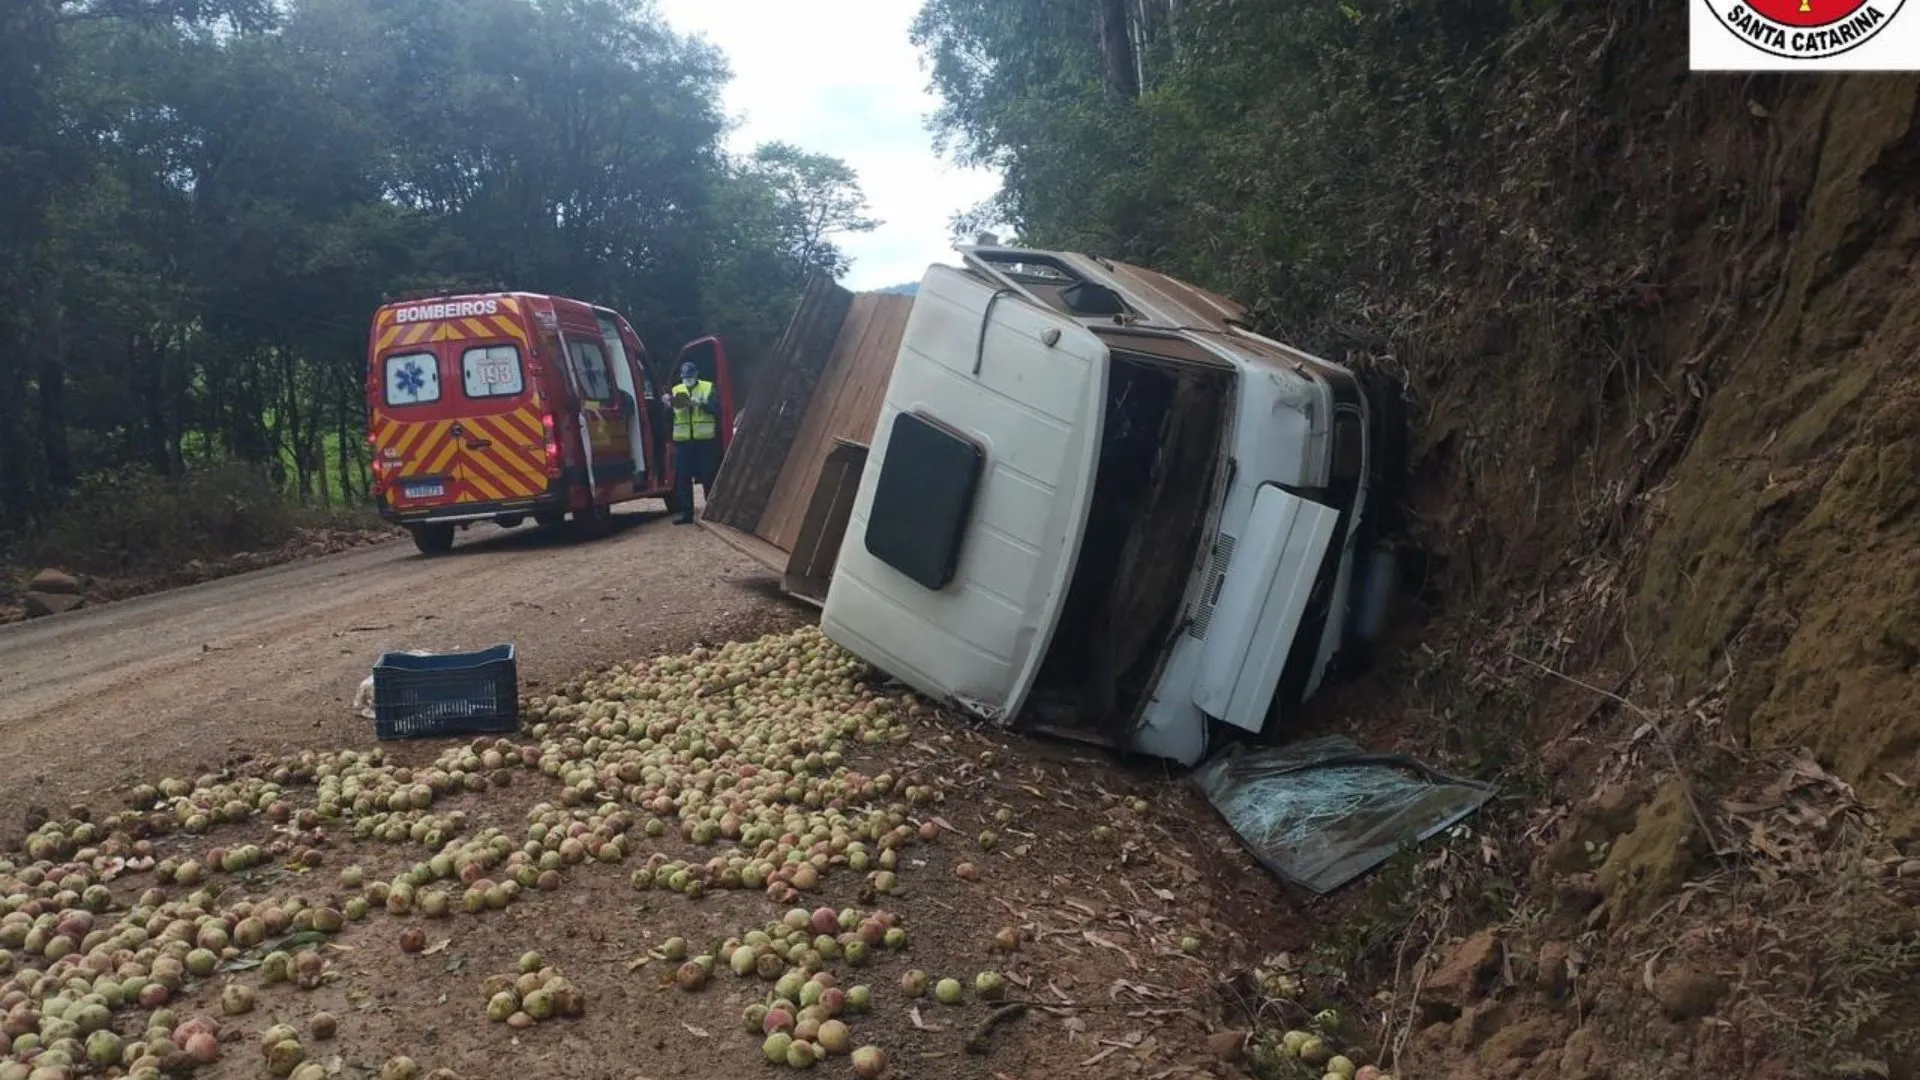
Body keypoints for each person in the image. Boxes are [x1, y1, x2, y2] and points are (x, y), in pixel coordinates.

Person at [664, 360, 719, 524]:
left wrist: (700, 404)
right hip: (683, 441)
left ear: (696, 375)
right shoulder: (677, 390)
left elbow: (716, 408)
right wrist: (667, 403)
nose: (687, 379)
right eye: (685, 377)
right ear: (681, 377)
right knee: (683, 479)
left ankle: (711, 510)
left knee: (708, 475)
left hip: (704, 440)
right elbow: (670, 415)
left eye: (690, 376)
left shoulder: (707, 387)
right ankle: (686, 513)